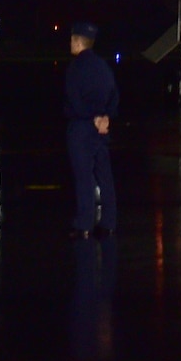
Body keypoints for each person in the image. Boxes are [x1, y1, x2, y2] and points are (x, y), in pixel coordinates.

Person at [64, 21, 119, 239]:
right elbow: (114, 94)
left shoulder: (75, 68)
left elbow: (75, 100)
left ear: (78, 42)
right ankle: (109, 222)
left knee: (84, 177)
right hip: (101, 128)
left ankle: (84, 224)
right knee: (105, 176)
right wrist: (106, 117)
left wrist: (92, 117)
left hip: (82, 126)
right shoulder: (102, 66)